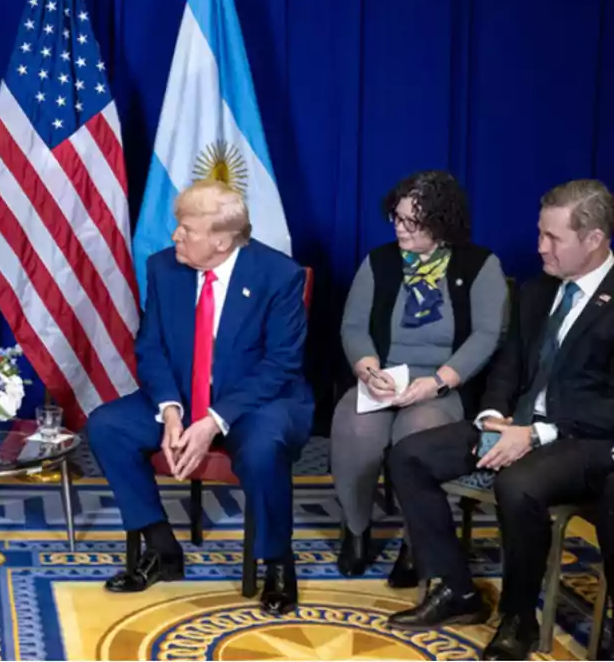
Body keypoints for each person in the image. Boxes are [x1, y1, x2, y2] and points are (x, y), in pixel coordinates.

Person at [387, 179, 614, 661]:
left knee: (517, 484)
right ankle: (456, 590)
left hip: (587, 440)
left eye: (553, 238)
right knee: (409, 455)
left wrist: (535, 434)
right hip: (516, 423)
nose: (539, 247)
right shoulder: (537, 291)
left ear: (594, 239)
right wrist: (493, 414)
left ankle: (518, 619)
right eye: (539, 233)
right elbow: (506, 367)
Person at [86, 180, 313, 616]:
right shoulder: (164, 268)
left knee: (264, 450)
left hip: (256, 401)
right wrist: (170, 410)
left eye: (186, 228)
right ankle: (160, 547)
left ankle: (277, 562)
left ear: (221, 240)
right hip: (183, 395)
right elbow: (150, 346)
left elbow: (280, 365)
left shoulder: (279, 276)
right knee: (107, 425)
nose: (175, 236)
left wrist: (212, 421)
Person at [332, 170, 507, 583]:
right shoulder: (379, 261)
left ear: (442, 222)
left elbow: (488, 335)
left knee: (417, 438)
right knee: (356, 431)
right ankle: (356, 530)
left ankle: (417, 540)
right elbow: (353, 327)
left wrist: (439, 382)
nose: (399, 228)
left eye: (411, 221)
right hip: (384, 377)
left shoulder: (480, 264)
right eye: (396, 217)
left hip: (443, 385)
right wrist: (368, 369)